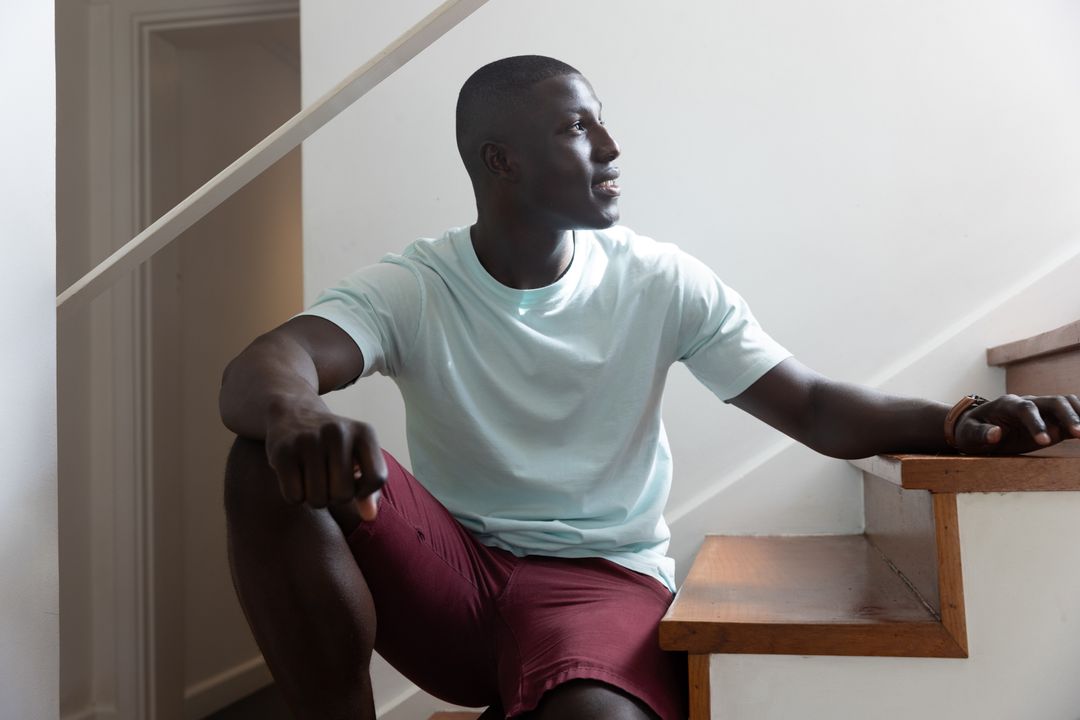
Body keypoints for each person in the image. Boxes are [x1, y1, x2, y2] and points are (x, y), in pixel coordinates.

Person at [219, 55, 1080, 720]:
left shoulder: (659, 280)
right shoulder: (418, 282)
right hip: (456, 577)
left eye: (604, 125)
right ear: (501, 160)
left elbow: (812, 406)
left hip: (604, 578)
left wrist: (959, 419)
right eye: (577, 129)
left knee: (596, 716)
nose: (612, 148)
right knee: (261, 456)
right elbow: (269, 361)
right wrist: (298, 411)